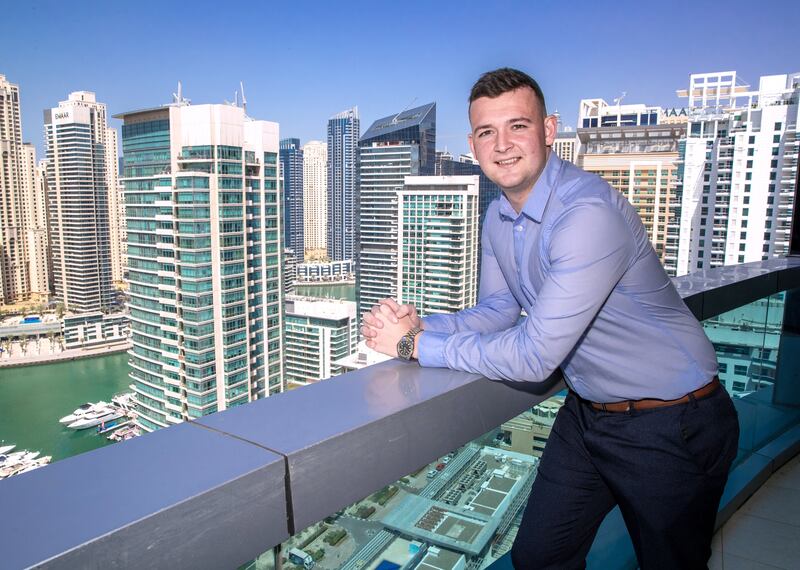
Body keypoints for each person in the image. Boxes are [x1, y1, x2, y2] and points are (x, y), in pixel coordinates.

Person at [361, 68, 739, 569]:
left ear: (548, 130)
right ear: (472, 144)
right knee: (540, 556)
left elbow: (535, 355)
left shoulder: (586, 214)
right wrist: (423, 325)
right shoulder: (497, 217)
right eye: (486, 132)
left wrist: (411, 347)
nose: (502, 145)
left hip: (672, 421)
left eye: (518, 126)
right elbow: (498, 312)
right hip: (588, 414)